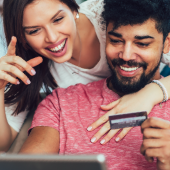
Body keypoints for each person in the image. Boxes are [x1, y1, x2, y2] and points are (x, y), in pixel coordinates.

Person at [1, 0, 170, 152]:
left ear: (74, 9)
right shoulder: (32, 69)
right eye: (35, 30)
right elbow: (4, 145)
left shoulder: (116, 16)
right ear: (22, 36)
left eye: (58, 19)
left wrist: (150, 94)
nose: (52, 38)